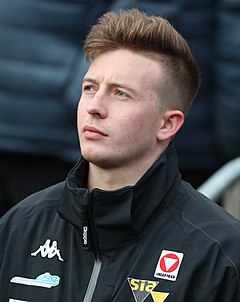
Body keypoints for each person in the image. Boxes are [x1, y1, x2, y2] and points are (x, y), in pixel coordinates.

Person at [0, 8, 240, 301]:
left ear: (168, 124)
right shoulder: (19, 226)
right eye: (89, 88)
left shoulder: (221, 254)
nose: (94, 107)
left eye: (120, 93)